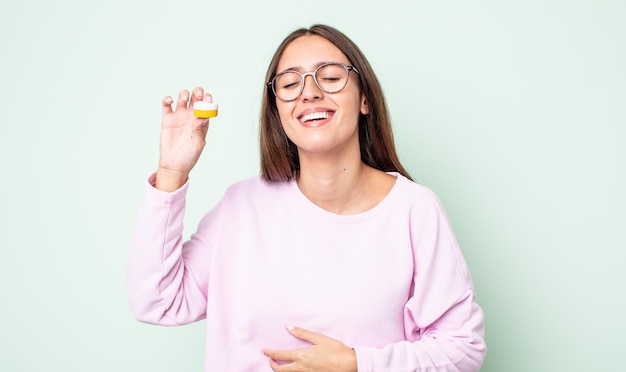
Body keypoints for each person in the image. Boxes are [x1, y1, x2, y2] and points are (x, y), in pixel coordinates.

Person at [127, 24, 486, 371]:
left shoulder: (413, 209)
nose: (309, 93)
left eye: (330, 78)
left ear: (364, 99)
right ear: (278, 111)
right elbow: (158, 301)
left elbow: (462, 349)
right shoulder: (240, 208)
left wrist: (358, 364)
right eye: (289, 83)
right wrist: (172, 172)